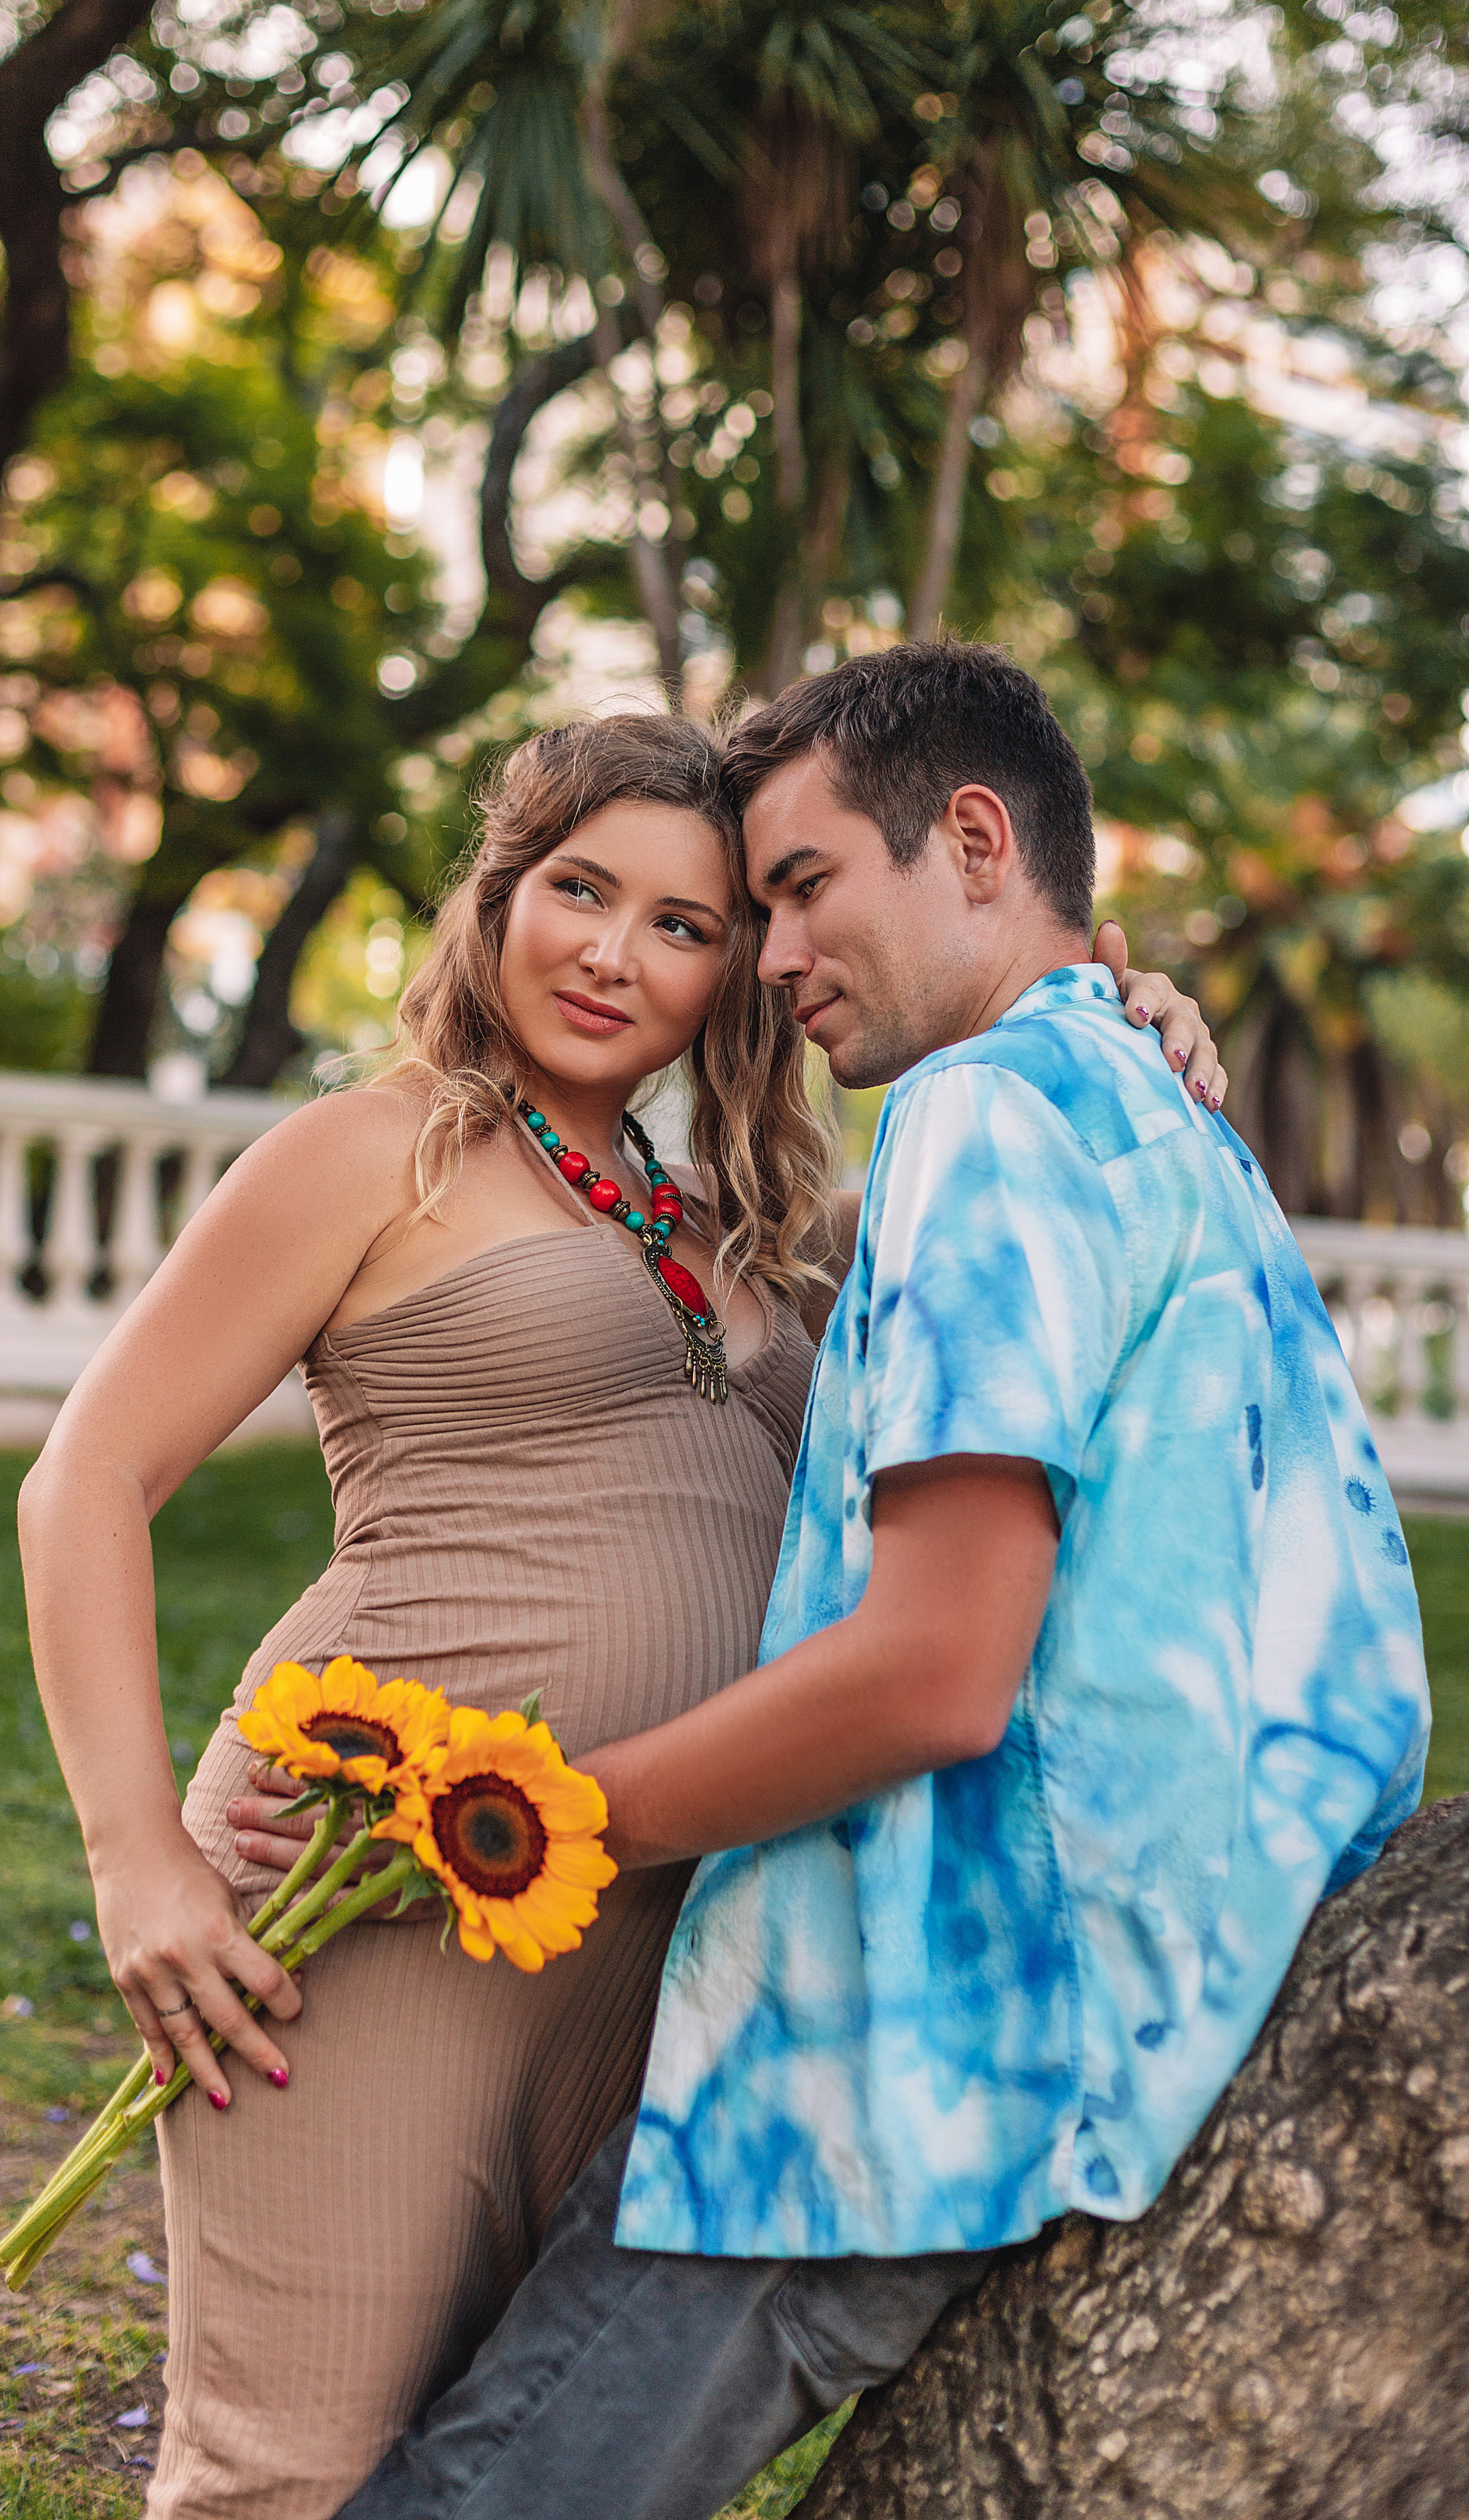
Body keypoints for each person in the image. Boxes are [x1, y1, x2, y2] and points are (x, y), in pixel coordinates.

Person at [16, 709, 1217, 2520]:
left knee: (504, 2450)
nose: (612, 952)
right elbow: (81, 1482)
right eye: (578, 890)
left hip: (647, 1904)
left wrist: (1123, 1020)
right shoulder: (376, 1151)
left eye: (683, 922)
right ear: (498, 895)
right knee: (292, 2469)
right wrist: (134, 1861)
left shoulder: (734, 1214)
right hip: (373, 1884)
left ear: (739, 962)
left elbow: (1004, 1239)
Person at [337, 646, 1431, 2520]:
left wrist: (549, 1822)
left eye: (802, 888)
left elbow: (935, 1673)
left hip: (905, 2048)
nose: (765, 958)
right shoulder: (1159, 1107)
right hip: (1156, 1981)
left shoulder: (991, 1117)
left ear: (977, 840)